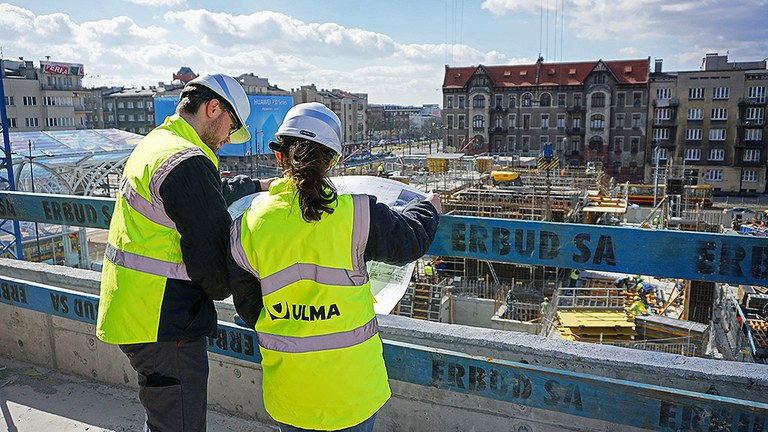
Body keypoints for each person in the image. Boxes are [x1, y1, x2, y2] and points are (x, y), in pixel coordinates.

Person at [228, 102, 441, 432]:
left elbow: (248, 306)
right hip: (352, 391)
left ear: (278, 157)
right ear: (332, 162)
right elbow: (411, 240)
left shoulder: (249, 225)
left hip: (291, 389)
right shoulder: (356, 214)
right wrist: (427, 208)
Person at [96, 73, 271, 432]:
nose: (226, 140)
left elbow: (198, 194)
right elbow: (215, 273)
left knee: (163, 417)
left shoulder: (160, 144)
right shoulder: (187, 161)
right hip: (165, 320)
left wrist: (256, 185)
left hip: (134, 311)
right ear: (213, 108)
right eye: (230, 128)